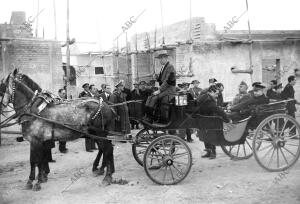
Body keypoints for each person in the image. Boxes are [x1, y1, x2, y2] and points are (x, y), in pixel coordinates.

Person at [196, 85, 231, 159]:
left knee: (205, 135)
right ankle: (213, 153)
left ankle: (209, 152)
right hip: (208, 119)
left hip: (203, 119)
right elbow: (218, 110)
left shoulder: (204, 96)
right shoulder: (209, 100)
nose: (217, 95)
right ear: (211, 92)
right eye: (216, 93)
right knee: (211, 135)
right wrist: (227, 119)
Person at [144, 51, 176, 122]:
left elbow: (168, 81)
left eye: (161, 58)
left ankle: (150, 118)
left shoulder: (170, 67)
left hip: (169, 90)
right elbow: (161, 80)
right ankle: (147, 115)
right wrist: (157, 78)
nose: (160, 60)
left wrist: (159, 90)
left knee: (154, 98)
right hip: (164, 89)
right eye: (159, 59)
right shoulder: (163, 67)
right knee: (150, 97)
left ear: (166, 58)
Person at [79, 83, 96, 152]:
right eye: (86, 87)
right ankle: (88, 148)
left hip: (91, 113)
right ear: (84, 88)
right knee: (88, 131)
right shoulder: (81, 94)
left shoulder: (90, 94)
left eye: (88, 87)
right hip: (86, 114)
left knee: (93, 130)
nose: (87, 88)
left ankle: (93, 146)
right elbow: (81, 103)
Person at [57, 89, 68, 153]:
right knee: (61, 135)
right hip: (60, 120)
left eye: (65, 93)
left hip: (65, 119)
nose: (64, 95)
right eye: (63, 93)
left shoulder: (64, 100)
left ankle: (64, 147)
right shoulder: (57, 100)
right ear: (59, 93)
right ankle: (61, 149)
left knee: (65, 135)